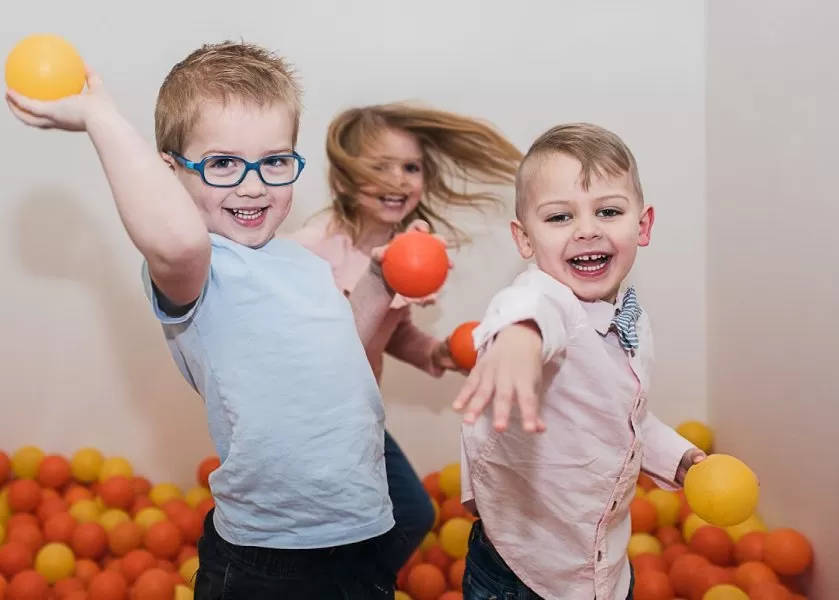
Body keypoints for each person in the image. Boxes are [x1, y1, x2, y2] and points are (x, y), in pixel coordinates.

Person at [6, 42, 441, 599]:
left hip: (358, 536)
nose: (253, 184)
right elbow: (176, 242)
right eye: (222, 164)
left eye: (275, 161)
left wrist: (380, 280)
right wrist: (101, 117)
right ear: (171, 174)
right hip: (269, 556)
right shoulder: (203, 269)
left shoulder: (303, 264)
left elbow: (340, 357)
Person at [452, 123, 705, 600]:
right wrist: (520, 337)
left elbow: (624, 419)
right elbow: (530, 306)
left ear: (643, 225)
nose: (587, 230)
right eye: (559, 217)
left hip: (604, 564)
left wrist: (680, 459)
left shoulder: (631, 319)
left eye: (608, 211)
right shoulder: (543, 299)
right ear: (525, 239)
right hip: (522, 570)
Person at [288, 102, 522, 569]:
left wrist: (436, 352)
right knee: (324, 534)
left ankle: (353, 585)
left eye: (411, 167)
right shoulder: (312, 251)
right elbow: (307, 352)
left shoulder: (406, 250)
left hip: (357, 418)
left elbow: (392, 331)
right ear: (344, 180)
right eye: (380, 167)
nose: (399, 180)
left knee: (413, 514)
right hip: (306, 426)